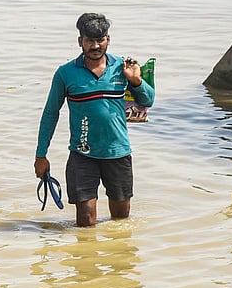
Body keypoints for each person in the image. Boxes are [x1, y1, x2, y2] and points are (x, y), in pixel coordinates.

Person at [35, 12, 155, 227]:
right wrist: (41, 155)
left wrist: (136, 81)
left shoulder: (123, 67)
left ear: (108, 39)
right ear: (80, 41)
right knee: (85, 219)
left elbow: (149, 100)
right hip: (82, 154)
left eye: (101, 40)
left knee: (120, 219)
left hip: (118, 152)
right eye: (90, 40)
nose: (96, 46)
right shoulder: (65, 73)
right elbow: (50, 114)